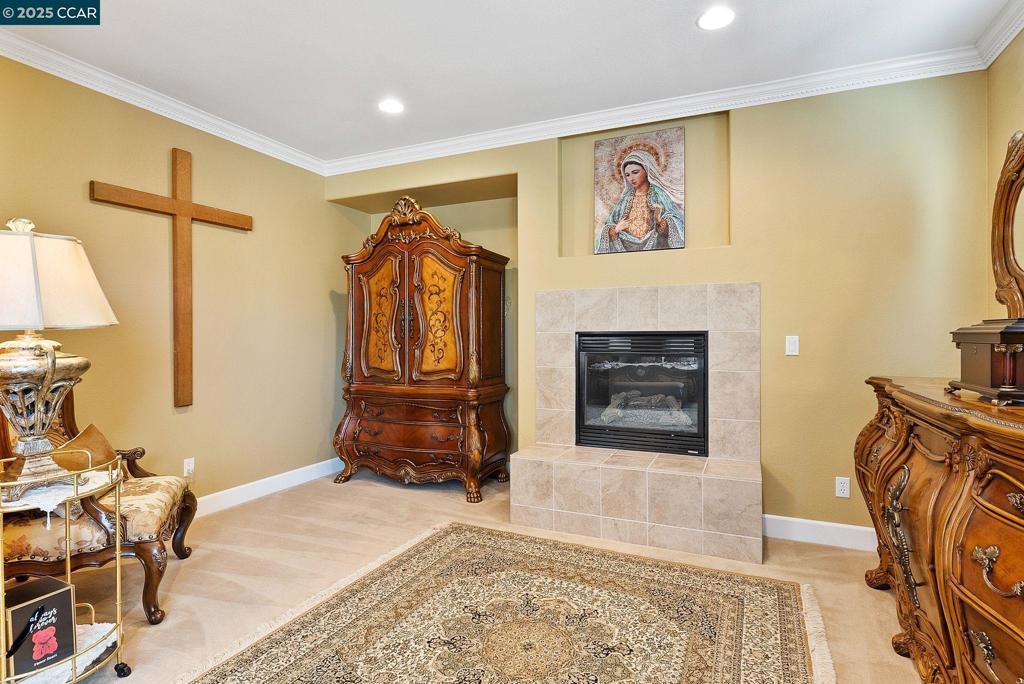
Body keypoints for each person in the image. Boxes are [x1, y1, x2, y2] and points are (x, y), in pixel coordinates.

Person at [595, 150, 684, 253]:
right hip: (624, 245)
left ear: (646, 170)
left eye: (635, 172)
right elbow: (610, 224)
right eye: (627, 175)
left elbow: (676, 220)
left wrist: (660, 221)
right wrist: (615, 229)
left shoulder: (659, 194)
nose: (631, 178)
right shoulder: (625, 199)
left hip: (656, 245)